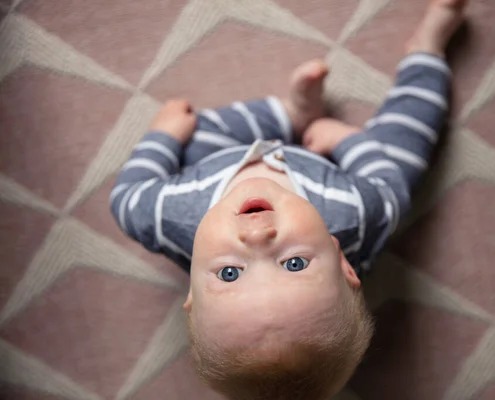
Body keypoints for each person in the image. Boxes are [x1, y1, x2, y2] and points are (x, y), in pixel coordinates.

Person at [110, 0, 467, 398]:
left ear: (192, 291)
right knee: (402, 162)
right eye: (293, 263)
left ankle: (290, 114)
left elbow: (126, 196)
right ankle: (427, 52)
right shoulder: (354, 210)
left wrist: (162, 137)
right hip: (322, 169)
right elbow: (388, 189)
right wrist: (348, 142)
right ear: (344, 264)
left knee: (193, 136)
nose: (258, 240)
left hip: (220, 161)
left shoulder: (169, 211)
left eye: (230, 273)